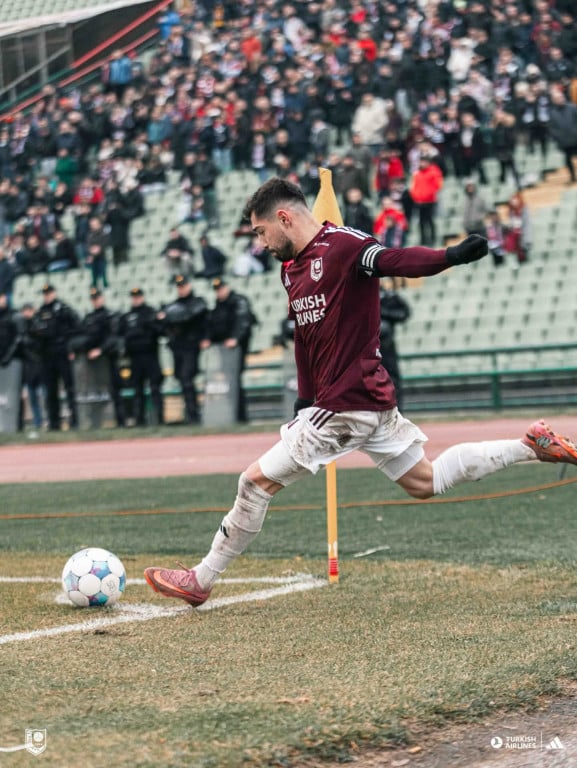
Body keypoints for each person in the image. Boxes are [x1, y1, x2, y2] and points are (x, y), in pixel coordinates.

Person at [144, 177, 577, 607]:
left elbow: (394, 260)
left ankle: (201, 579)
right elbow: (304, 339)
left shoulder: (345, 245)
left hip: (346, 404)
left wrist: (451, 256)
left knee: (253, 483)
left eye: (261, 232)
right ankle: (529, 446)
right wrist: (303, 400)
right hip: (363, 402)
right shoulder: (290, 270)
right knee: (425, 481)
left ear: (284, 218)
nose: (261, 243)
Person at [201, 278, 257, 423]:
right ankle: (234, 415)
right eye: (216, 290)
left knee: (235, 380)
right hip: (224, 350)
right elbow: (214, 326)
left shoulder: (238, 301)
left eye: (221, 288)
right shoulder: (218, 306)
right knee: (230, 381)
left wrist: (235, 338)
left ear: (227, 287)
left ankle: (240, 416)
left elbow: (243, 321)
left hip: (236, 349)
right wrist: (208, 338)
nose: (219, 292)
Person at [70, 288, 125, 428]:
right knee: (94, 393)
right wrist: (75, 350)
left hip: (108, 359)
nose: (95, 301)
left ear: (102, 298)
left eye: (97, 298)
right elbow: (83, 337)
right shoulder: (89, 318)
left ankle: (121, 421)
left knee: (114, 390)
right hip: (92, 362)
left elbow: (113, 338)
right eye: (93, 299)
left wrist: (101, 350)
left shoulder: (110, 315)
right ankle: (95, 422)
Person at [158, 275, 208, 425]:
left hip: (190, 347)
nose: (181, 289)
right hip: (177, 347)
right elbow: (162, 323)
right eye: (179, 287)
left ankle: (193, 414)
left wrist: (168, 316)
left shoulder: (197, 302)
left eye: (183, 286)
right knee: (181, 378)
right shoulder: (174, 305)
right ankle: (189, 413)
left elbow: (188, 316)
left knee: (187, 378)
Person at [30, 283, 79, 431]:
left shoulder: (64, 310)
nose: (47, 296)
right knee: (50, 390)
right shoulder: (41, 312)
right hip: (47, 355)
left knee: (69, 388)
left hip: (62, 353)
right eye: (45, 294)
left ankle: (74, 420)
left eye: (49, 293)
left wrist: (70, 347)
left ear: (54, 293)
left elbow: (76, 327)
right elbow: (34, 331)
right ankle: (54, 422)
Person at [118, 287, 164, 427]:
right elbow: (122, 335)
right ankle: (139, 419)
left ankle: (159, 418)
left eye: (138, 297)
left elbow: (161, 331)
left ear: (142, 297)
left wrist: (152, 323)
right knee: (138, 390)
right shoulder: (127, 316)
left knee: (155, 388)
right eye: (134, 297)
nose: (136, 299)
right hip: (135, 357)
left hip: (150, 355)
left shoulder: (151, 313)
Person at [378, 278, 411, 412]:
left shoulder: (390, 297)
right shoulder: (364, 296)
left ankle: (398, 411)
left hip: (387, 345)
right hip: (368, 346)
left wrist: (383, 312)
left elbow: (404, 313)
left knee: (393, 379)